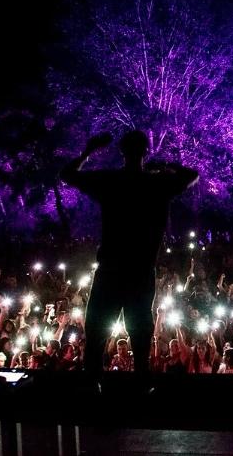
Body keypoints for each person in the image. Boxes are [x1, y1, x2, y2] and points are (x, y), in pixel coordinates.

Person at [61, 131, 198, 373]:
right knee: (141, 337)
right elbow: (191, 175)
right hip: (141, 270)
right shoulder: (157, 184)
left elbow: (67, 174)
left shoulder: (110, 181)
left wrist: (89, 150)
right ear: (146, 151)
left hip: (110, 270)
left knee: (96, 336)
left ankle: (92, 387)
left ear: (121, 151)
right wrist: (165, 165)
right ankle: (141, 387)